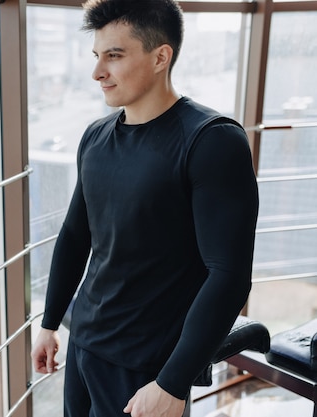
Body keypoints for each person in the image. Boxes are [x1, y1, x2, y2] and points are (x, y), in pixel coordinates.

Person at [30, 0, 259, 416]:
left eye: (114, 56)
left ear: (160, 57)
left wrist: (172, 383)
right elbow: (75, 236)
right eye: (97, 57)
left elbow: (229, 275)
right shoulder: (95, 136)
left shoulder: (212, 141)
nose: (98, 73)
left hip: (145, 366)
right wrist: (50, 323)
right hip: (84, 345)